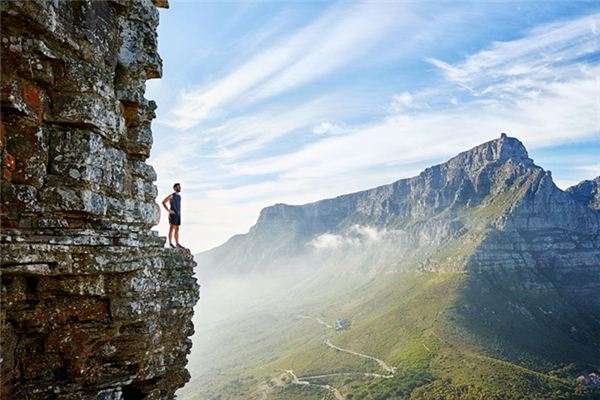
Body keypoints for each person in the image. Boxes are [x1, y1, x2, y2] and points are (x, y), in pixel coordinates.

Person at [162, 183, 185, 248]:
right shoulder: (172, 195)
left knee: (177, 229)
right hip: (172, 214)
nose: (180, 188)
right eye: (178, 187)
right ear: (175, 188)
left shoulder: (179, 197)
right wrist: (168, 210)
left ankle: (177, 244)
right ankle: (170, 244)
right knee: (171, 228)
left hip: (178, 214)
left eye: (180, 187)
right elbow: (163, 202)